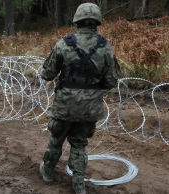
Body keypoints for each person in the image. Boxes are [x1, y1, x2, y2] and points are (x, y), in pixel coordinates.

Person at [39, 3, 120, 194]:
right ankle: (78, 184)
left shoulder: (63, 43)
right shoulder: (105, 47)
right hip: (89, 107)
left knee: (56, 139)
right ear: (97, 21)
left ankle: (48, 172)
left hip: (65, 105)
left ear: (77, 20)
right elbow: (111, 81)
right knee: (79, 144)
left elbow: (47, 73)